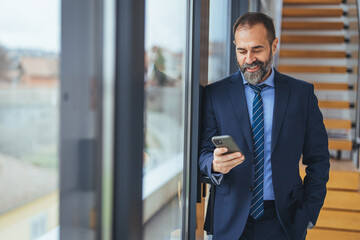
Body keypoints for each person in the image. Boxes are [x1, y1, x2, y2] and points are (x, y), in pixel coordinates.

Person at [199, 12, 330, 240]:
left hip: (284, 221)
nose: (249, 59)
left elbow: (318, 160)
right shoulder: (214, 95)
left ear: (274, 45)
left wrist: (307, 213)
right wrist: (213, 163)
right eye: (242, 51)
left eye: (257, 49)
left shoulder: (302, 95)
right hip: (230, 221)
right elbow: (201, 154)